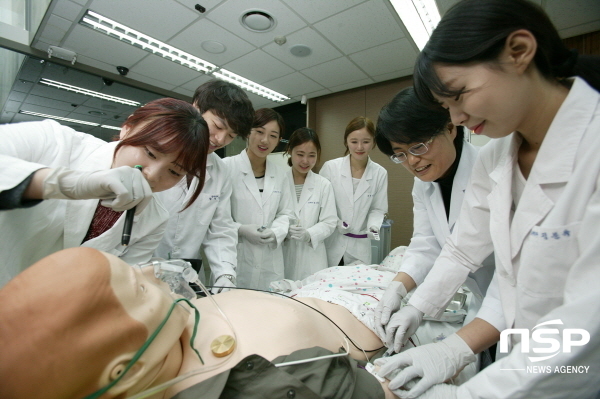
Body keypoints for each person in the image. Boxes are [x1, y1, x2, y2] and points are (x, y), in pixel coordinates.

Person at [376, 0, 600, 398]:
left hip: (578, 370)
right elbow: (466, 253)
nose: (458, 119)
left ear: (519, 51)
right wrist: (418, 309)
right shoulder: (498, 157)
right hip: (519, 352)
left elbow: (587, 318)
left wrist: (467, 394)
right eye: (448, 108)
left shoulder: (592, 146)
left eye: (460, 96)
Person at [0, 247, 394, 399]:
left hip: (314, 288)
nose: (154, 273)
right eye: (139, 288)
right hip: (369, 310)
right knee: (405, 264)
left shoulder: (163, 340)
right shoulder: (262, 390)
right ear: (128, 369)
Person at [0, 98, 208, 288]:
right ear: (127, 129)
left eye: (174, 171)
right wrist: (66, 183)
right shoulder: (55, 141)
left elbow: (119, 284)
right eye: (150, 153)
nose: (152, 175)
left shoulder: (155, 218)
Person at [372, 87, 494, 348]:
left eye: (419, 145)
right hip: (484, 299)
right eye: (401, 154)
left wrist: (417, 306)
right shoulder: (423, 184)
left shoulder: (488, 170)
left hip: (510, 290)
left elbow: (463, 250)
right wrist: (397, 287)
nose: (413, 161)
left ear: (450, 128)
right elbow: (426, 243)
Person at [154, 80, 254, 294]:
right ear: (196, 107)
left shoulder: (220, 171)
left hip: (186, 276)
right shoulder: (157, 153)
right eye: (217, 126)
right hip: (141, 268)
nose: (220, 139)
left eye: (231, 136)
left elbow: (221, 229)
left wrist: (226, 274)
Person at [222, 108, 294, 290]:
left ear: (278, 141)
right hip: (235, 257)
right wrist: (241, 230)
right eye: (260, 132)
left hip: (270, 261)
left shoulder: (280, 174)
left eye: (273, 135)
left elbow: (286, 212)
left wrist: (276, 231)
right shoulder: (226, 168)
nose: (264, 140)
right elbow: (216, 218)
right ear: (248, 132)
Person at [320, 116, 388, 266]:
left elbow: (378, 208)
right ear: (346, 142)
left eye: (366, 141)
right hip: (332, 242)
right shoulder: (330, 168)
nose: (359, 147)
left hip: (359, 245)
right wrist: (337, 222)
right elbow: (321, 205)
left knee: (354, 285)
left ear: (373, 142)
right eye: (354, 141)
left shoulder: (379, 173)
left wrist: (373, 226)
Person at [282, 127, 337, 280]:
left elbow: (330, 221)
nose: (305, 161)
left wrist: (309, 234)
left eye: (311, 155)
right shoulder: (278, 182)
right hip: (283, 254)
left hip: (313, 258)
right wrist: (282, 229)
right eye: (300, 154)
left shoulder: (323, 185)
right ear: (290, 151)